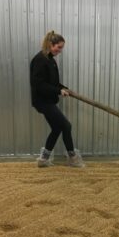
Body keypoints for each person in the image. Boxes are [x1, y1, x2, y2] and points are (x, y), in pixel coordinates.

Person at [30, 31, 84, 168]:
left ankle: (43, 159)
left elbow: (53, 83)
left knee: (56, 128)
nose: (60, 51)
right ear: (50, 44)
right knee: (66, 126)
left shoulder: (50, 60)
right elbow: (39, 84)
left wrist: (65, 88)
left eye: (61, 48)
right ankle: (72, 157)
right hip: (42, 101)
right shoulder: (40, 60)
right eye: (58, 47)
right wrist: (58, 91)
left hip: (48, 100)